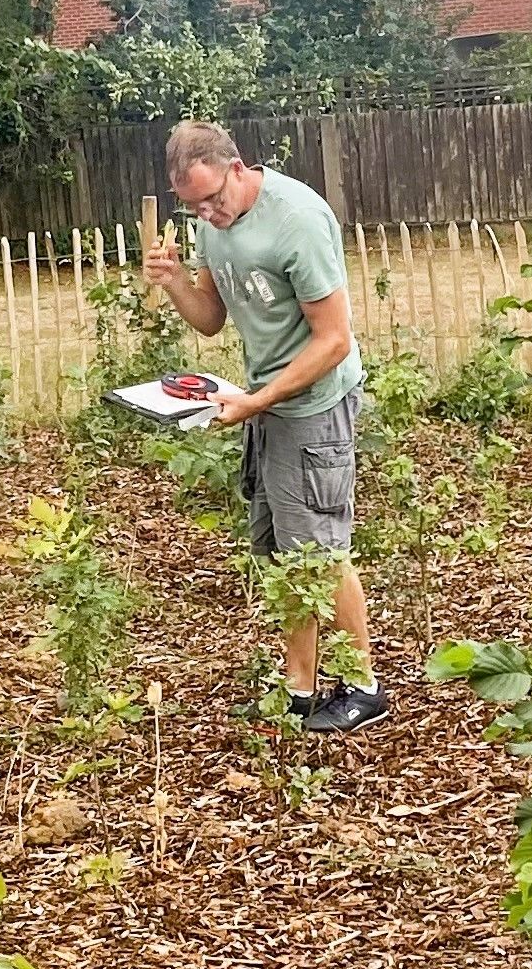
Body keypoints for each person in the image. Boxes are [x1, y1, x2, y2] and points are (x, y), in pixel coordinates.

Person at [142, 120, 388, 733]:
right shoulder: (210, 224)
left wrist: (259, 399)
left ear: (238, 166)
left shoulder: (296, 220)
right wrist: (174, 282)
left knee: (321, 552)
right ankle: (299, 690)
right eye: (191, 206)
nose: (206, 215)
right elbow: (209, 320)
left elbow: (334, 342)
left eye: (213, 199)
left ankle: (362, 686)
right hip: (269, 404)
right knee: (286, 552)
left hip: (313, 405)